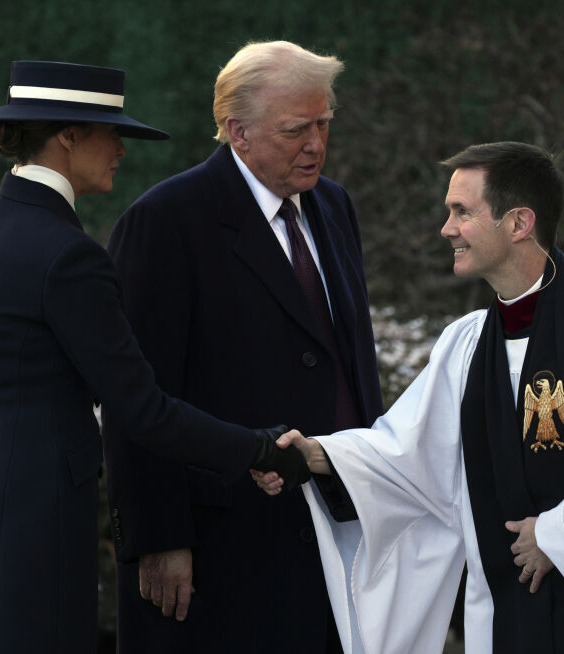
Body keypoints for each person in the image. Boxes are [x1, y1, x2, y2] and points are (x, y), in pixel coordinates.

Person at [255, 142, 564, 653]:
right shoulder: (467, 344)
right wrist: (314, 454)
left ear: (518, 224)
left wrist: (557, 537)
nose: (446, 228)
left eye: (462, 212)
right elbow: (407, 455)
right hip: (505, 619)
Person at [0, 60, 307, 654]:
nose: (121, 150)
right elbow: (142, 409)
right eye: (112, 133)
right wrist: (258, 448)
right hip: (33, 523)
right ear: (70, 136)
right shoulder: (69, 255)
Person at [104, 41, 383, 652]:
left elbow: (349, 364)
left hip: (338, 523)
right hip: (221, 541)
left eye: (323, 124)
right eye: (294, 130)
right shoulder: (166, 221)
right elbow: (137, 397)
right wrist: (158, 536)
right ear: (237, 131)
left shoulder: (334, 206)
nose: (315, 144)